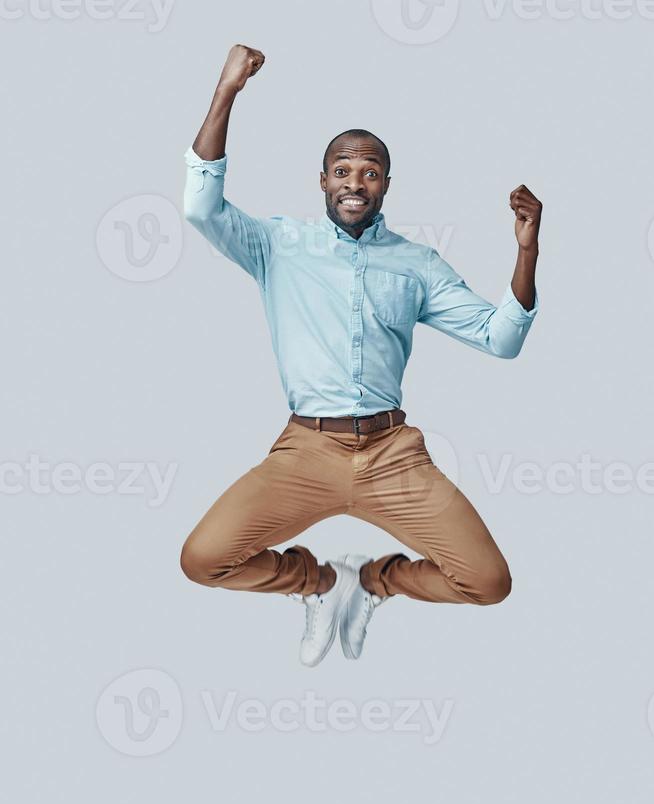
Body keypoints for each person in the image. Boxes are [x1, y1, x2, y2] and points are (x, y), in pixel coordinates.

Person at [180, 43, 542, 667]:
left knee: (489, 583)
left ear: (386, 185)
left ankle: (374, 580)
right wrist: (226, 91)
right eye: (343, 170)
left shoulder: (417, 264)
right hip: (306, 451)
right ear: (322, 179)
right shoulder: (277, 245)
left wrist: (527, 254)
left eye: (369, 172)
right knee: (203, 560)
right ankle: (318, 585)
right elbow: (199, 205)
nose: (355, 183)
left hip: (391, 455)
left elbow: (501, 339)